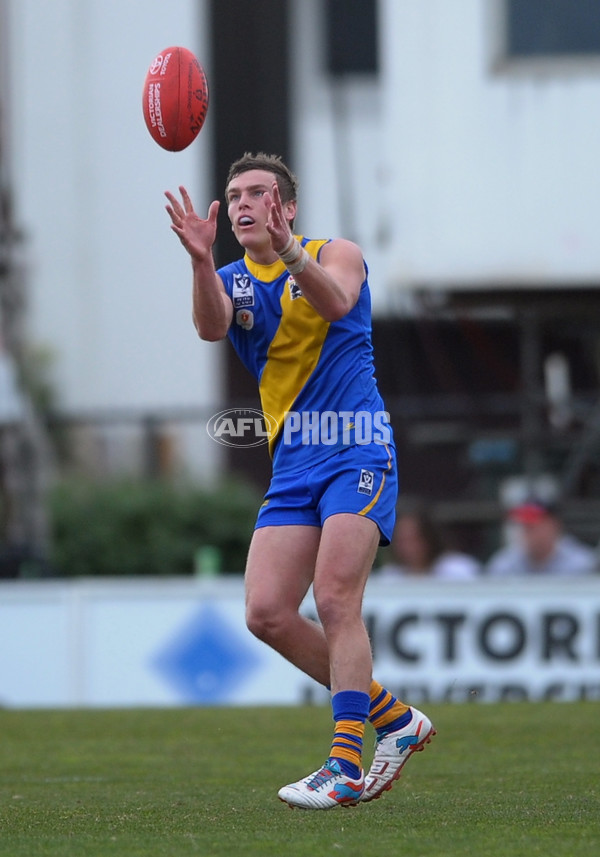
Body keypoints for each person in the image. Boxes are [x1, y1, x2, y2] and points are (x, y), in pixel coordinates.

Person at [165, 153, 435, 810]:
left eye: (258, 192)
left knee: (336, 598)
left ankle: (344, 764)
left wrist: (288, 248)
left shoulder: (334, 251)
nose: (243, 204)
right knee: (265, 611)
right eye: (234, 196)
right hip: (294, 463)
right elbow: (210, 326)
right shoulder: (229, 277)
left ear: (286, 204)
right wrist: (200, 260)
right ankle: (394, 718)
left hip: (357, 447)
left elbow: (337, 299)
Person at [485, 497, 598, 577]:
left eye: (533, 524)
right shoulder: (505, 564)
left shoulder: (582, 564)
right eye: (523, 524)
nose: (526, 530)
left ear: (554, 525)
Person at [378, 504, 481, 581]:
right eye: (401, 540)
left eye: (413, 539)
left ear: (429, 537)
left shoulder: (457, 569)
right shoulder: (389, 576)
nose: (407, 547)